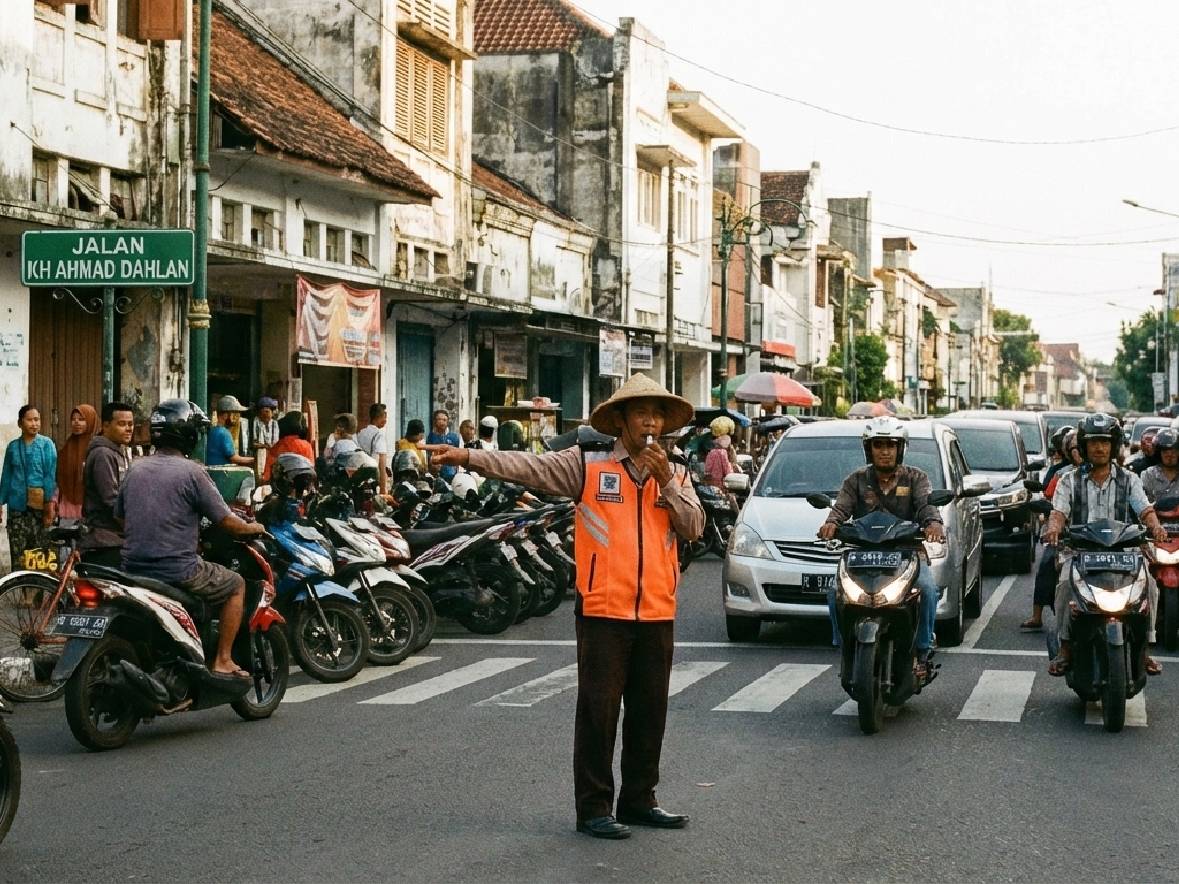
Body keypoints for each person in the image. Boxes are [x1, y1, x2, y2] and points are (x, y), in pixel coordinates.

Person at [434, 373, 703, 840]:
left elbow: (694, 527)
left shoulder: (675, 471)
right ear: (621, 420)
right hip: (603, 611)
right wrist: (469, 457)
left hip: (657, 610)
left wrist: (667, 483)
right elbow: (528, 467)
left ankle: (640, 800)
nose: (651, 423)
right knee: (599, 714)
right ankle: (594, 808)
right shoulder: (588, 463)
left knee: (650, 713)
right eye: (641, 413)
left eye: (657, 415)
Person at [115, 399, 265, 680]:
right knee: (236, 584)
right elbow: (227, 521)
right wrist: (253, 527)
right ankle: (223, 660)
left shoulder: (135, 468)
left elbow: (121, 518)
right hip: (178, 570)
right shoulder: (193, 471)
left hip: (132, 568)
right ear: (189, 434)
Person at [817, 417, 945, 676]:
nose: (885, 451)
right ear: (869, 449)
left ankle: (922, 651)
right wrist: (831, 523)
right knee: (834, 593)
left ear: (901, 449)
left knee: (928, 590)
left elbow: (926, 505)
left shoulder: (916, 478)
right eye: (878, 445)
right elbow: (841, 507)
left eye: (891, 445)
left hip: (907, 552)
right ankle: (844, 647)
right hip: (863, 554)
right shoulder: (855, 480)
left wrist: (933, 523)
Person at [1043, 412, 1166, 677]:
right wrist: (1054, 528)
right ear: (1084, 446)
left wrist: (1155, 527)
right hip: (1080, 553)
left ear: (1113, 445)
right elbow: (1059, 512)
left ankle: (1145, 649)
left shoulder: (1129, 479)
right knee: (1064, 585)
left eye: (1105, 442)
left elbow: (1144, 509)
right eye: (1093, 442)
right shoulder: (1069, 480)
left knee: (1151, 586)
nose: (1099, 447)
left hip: (1124, 553)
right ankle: (1065, 647)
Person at [1021, 426, 1082, 631]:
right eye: (1074, 448)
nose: (1080, 452)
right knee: (1047, 564)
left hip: (1100, 539)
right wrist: (1054, 526)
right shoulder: (1063, 475)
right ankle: (1037, 615)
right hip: (1068, 535)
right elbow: (1053, 504)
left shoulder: (1120, 476)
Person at [0, 405, 58, 570]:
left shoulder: (47, 445)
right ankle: (20, 585)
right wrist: (0, 502)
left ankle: (36, 586)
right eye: (30, 420)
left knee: (39, 557)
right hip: (17, 509)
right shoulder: (12, 447)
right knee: (18, 555)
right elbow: (6, 476)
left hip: (39, 509)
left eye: (37, 419)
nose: (34, 423)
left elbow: (49, 476)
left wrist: (49, 505)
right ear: (20, 423)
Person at [79, 402, 135, 566]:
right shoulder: (103, 454)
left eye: (130, 424)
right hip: (104, 539)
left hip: (115, 536)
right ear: (106, 426)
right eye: (122, 424)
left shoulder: (119, 451)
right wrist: (132, 527)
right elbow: (111, 500)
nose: (128, 429)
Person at [54, 404, 98, 519]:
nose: (76, 422)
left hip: (90, 505)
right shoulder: (66, 447)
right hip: (67, 505)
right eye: (73, 419)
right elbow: (58, 477)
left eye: (82, 419)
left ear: (91, 421)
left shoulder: (97, 448)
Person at [263, 412, 316, 482]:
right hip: (302, 485)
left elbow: (267, 476)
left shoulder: (276, 447)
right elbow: (311, 472)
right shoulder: (307, 446)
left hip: (281, 486)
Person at [206, 395, 254, 468]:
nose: (237, 417)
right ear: (225, 415)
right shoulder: (224, 433)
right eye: (234, 414)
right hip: (220, 471)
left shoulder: (213, 430)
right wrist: (253, 460)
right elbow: (233, 458)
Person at [356, 404, 391, 495]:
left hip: (359, 476)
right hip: (373, 477)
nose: (386, 420)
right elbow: (382, 464)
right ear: (379, 417)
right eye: (385, 417)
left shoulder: (360, 433)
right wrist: (383, 488)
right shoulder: (379, 435)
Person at [1142, 428, 1179, 503]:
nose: (1170, 455)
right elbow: (1142, 504)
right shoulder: (1149, 475)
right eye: (1165, 451)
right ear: (1159, 453)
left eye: (1174, 451)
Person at [426, 410, 461, 481]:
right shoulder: (430, 437)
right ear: (435, 421)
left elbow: (458, 456)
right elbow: (428, 456)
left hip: (451, 475)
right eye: (439, 419)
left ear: (447, 422)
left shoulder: (454, 437)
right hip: (435, 475)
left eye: (444, 420)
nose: (442, 422)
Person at [250, 396, 280, 479]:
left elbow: (275, 443)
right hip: (260, 454)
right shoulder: (256, 422)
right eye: (262, 412)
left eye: (267, 411)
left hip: (272, 454)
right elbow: (254, 443)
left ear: (272, 412)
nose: (265, 415)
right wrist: (265, 446)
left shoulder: (274, 424)